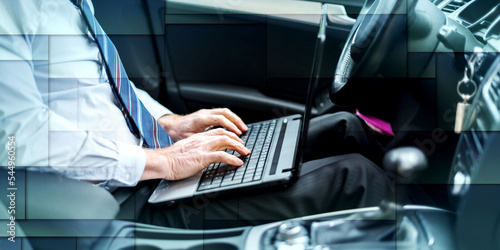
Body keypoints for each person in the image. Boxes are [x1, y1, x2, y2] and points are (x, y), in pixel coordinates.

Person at [0, 0, 392, 229]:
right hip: (120, 196)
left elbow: (101, 88)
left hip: (147, 163)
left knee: (347, 128)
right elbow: (15, 135)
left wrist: (169, 124)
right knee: (356, 178)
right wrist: (158, 161)